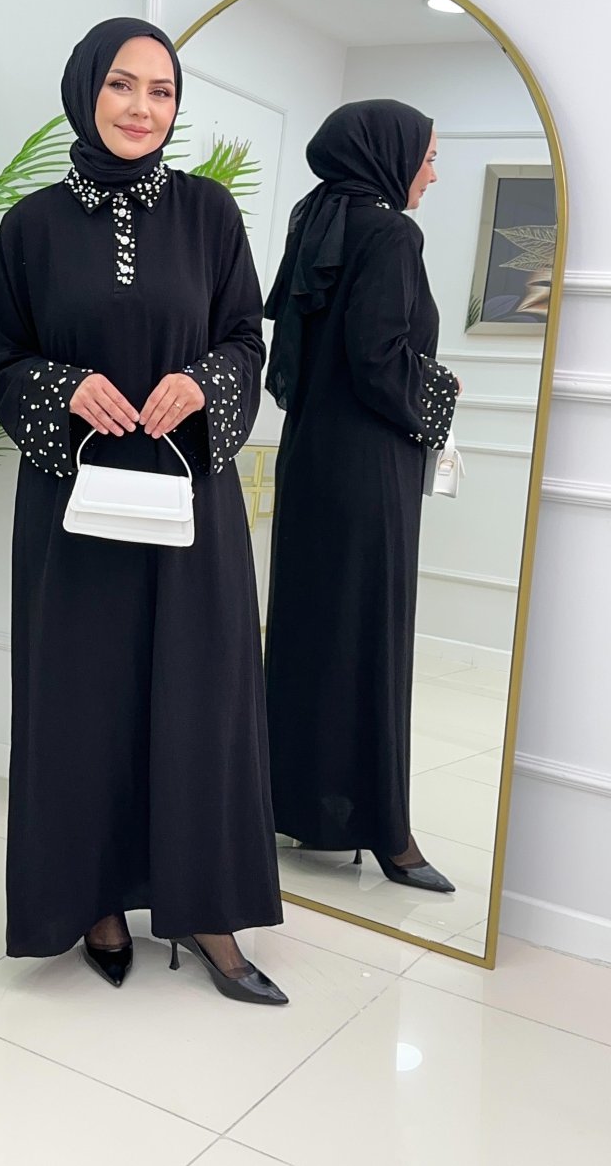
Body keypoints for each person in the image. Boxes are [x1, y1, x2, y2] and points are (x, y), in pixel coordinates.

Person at [0, 17, 286, 1004]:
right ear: (84, 91)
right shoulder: (30, 226)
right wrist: (62, 387)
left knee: (203, 696)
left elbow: (245, 339)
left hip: (190, 500)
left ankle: (206, 910)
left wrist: (204, 383)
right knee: (82, 700)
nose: (142, 107)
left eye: (162, 90)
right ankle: (95, 900)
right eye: (122, 84)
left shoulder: (208, 213)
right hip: (74, 506)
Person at [262, 99, 459, 893]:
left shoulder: (317, 218)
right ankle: (387, 832)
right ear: (390, 153)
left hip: (310, 463)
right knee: (371, 640)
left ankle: (297, 803)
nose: (433, 174)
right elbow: (379, 359)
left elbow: (303, 359)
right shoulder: (390, 233)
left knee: (311, 634)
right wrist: (439, 392)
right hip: (370, 471)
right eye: (429, 156)